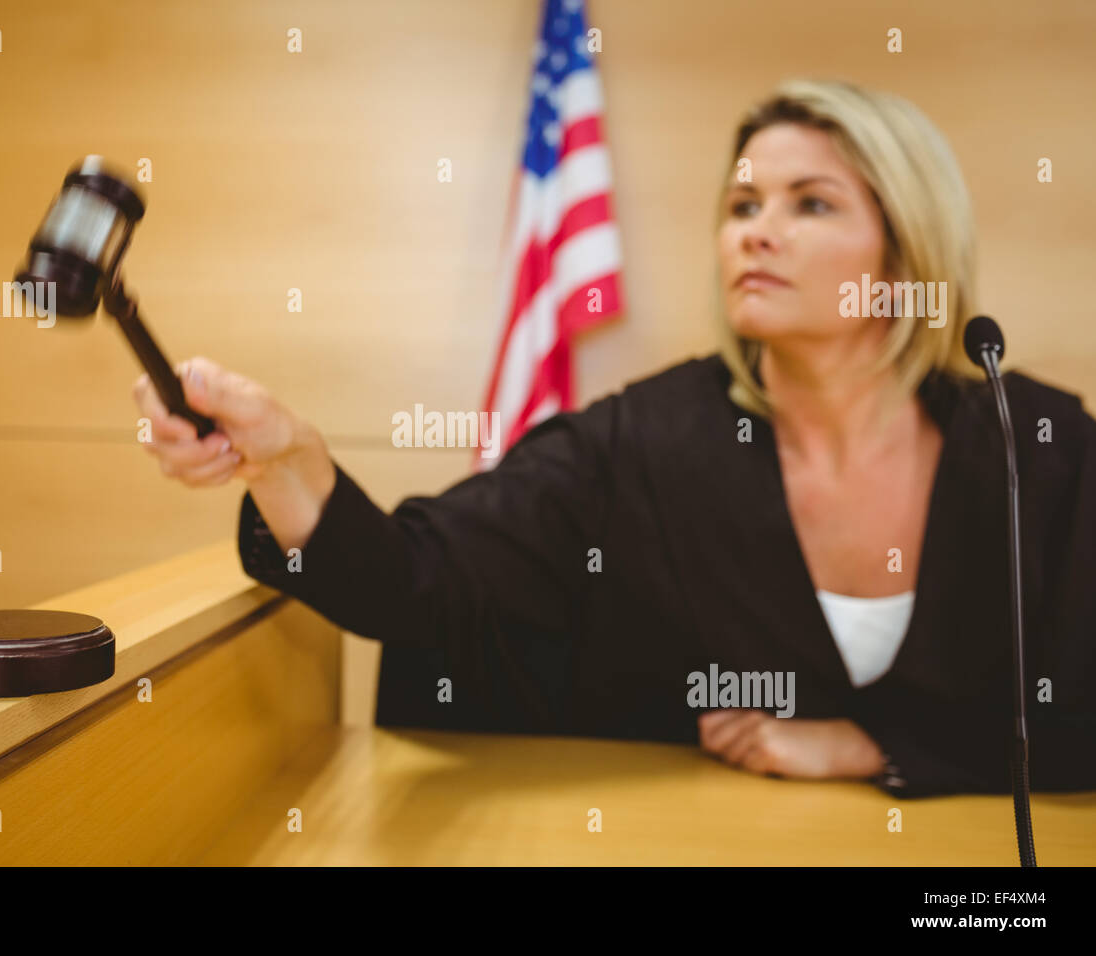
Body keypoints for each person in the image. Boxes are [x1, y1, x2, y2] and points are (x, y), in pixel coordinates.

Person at [132, 79, 1096, 798]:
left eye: (812, 204)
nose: (756, 232)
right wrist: (295, 463)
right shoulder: (643, 438)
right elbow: (423, 582)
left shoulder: (1041, 446)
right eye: (742, 205)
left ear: (906, 256)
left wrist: (874, 748)